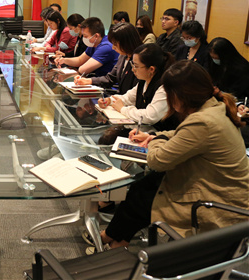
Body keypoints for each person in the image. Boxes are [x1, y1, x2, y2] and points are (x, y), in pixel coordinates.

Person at [93, 61, 249, 251]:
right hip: (218, 186)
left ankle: (113, 240)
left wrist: (154, 141)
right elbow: (181, 133)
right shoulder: (215, 108)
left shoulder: (203, 121)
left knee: (144, 193)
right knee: (144, 187)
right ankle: (115, 239)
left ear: (180, 95)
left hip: (216, 200)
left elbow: (157, 160)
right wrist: (153, 136)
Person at [97, 43, 175, 128]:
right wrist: (109, 101)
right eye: (132, 64)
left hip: (160, 132)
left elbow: (150, 116)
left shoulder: (164, 87)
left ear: (151, 69)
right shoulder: (144, 81)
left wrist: (123, 109)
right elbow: (128, 98)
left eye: (136, 66)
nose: (133, 69)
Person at [74, 22, 141, 95]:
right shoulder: (123, 56)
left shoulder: (140, 60)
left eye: (115, 44)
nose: (113, 47)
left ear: (126, 43)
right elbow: (110, 78)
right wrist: (89, 81)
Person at [54, 17, 119, 77]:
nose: (84, 38)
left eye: (85, 36)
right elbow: (80, 60)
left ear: (96, 36)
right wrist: (63, 60)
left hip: (107, 83)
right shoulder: (94, 43)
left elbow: (82, 70)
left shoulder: (106, 47)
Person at [206, 37, 249, 104]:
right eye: (212, 58)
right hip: (217, 98)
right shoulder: (214, 63)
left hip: (235, 101)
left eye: (216, 58)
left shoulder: (242, 69)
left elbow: (236, 93)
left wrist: (219, 93)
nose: (214, 60)